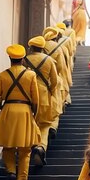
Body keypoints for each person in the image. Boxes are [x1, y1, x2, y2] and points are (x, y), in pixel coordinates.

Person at [0, 44, 41, 180]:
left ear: (10, 58)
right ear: (23, 59)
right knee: (25, 150)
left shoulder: (2, 75)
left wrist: (2, 106)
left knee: (8, 147)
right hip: (25, 111)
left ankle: (11, 171)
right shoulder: (30, 75)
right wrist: (33, 115)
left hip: (8, 110)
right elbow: (36, 99)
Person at [24, 36, 59, 166]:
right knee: (44, 125)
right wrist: (49, 90)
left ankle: (28, 150)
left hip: (28, 97)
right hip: (44, 96)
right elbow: (54, 81)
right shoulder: (49, 60)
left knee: (31, 124)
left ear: (31, 47)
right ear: (42, 47)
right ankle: (40, 147)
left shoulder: (25, 60)